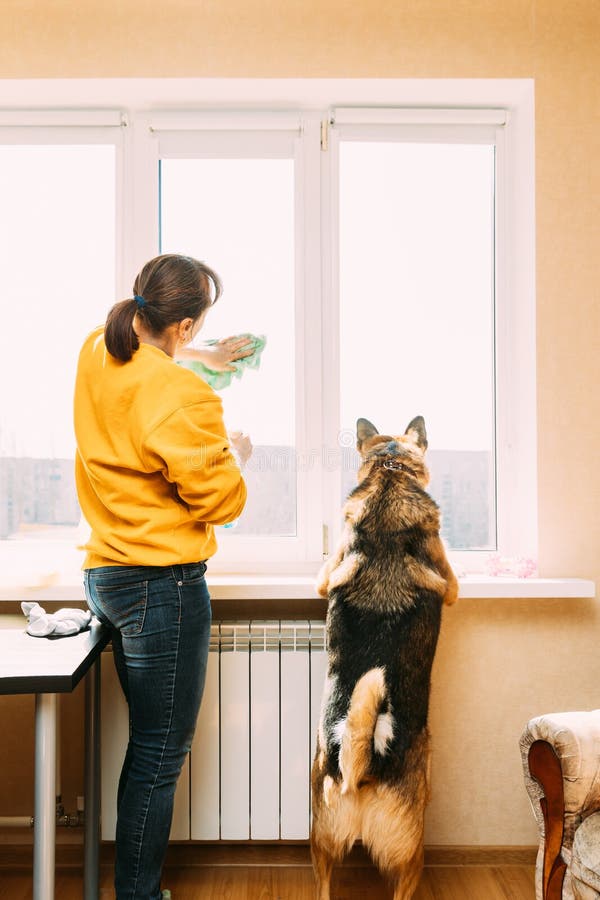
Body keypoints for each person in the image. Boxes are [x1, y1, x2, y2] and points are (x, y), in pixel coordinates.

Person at [74, 253, 250, 900]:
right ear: (181, 328)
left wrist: (203, 359)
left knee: (145, 746)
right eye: (197, 330)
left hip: (106, 575)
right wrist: (237, 454)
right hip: (160, 585)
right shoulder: (183, 396)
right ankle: (138, 898)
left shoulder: (98, 349)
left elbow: (143, 373)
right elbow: (222, 501)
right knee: (158, 753)